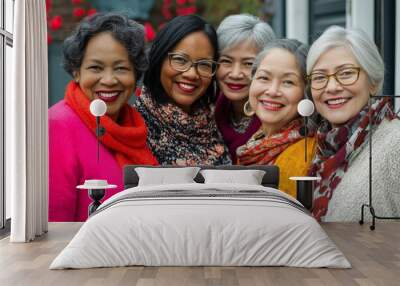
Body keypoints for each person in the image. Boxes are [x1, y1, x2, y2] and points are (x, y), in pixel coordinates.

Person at [49, 13, 158, 222]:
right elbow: (54, 227)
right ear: (77, 72)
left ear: (135, 76)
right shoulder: (57, 126)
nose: (109, 80)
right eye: (95, 68)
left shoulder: (134, 126)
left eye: (121, 68)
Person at [307, 26, 400, 222]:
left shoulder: (396, 145)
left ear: (373, 82)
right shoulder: (321, 151)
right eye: (320, 77)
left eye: (347, 73)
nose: (332, 87)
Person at [135, 15, 232, 166]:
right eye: (180, 60)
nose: (192, 74)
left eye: (204, 64)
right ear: (159, 59)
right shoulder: (135, 126)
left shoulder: (213, 123)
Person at [237, 39, 317, 198]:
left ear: (305, 92)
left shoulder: (307, 154)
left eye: (288, 82)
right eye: (264, 78)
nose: (273, 91)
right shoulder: (253, 146)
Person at [215, 14, 275, 162]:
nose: (235, 74)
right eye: (226, 61)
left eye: (248, 64)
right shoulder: (206, 111)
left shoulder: (276, 117)